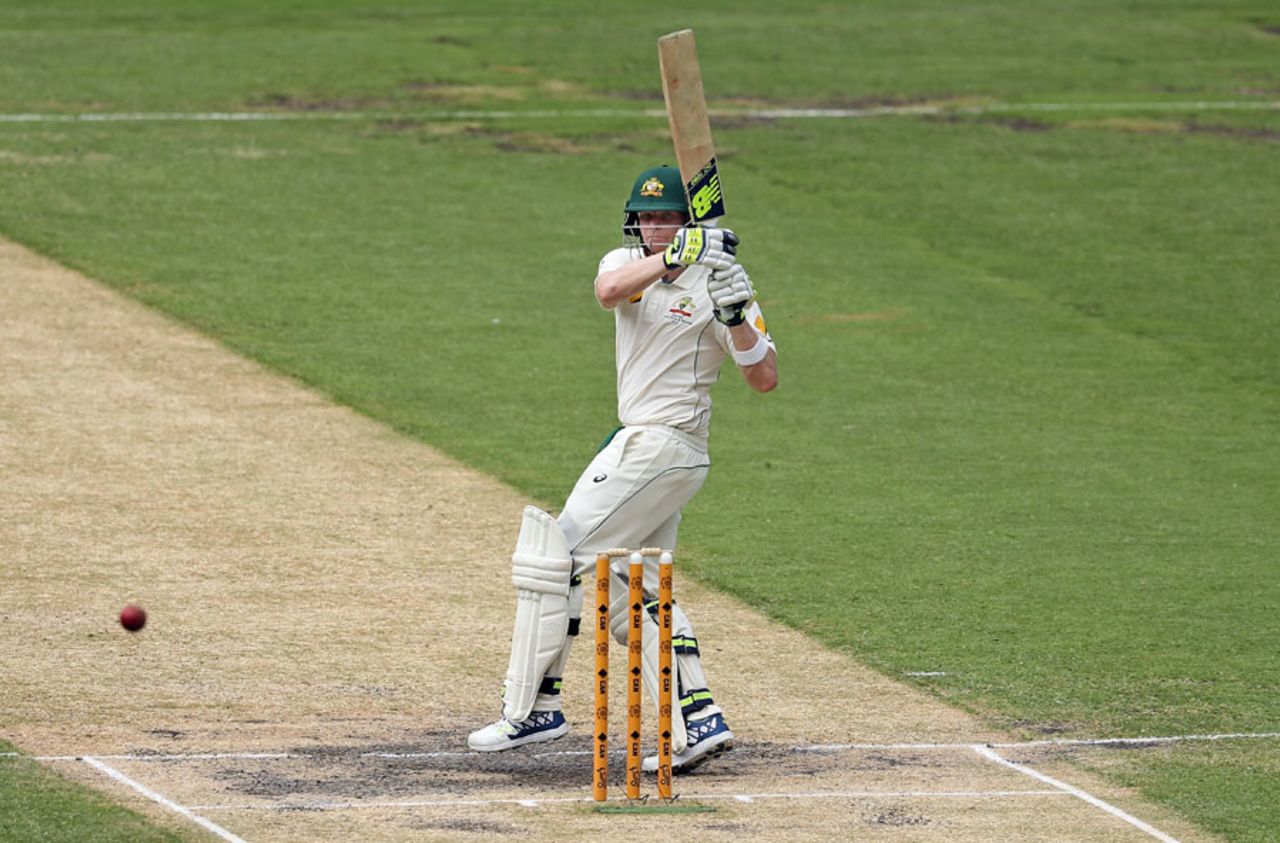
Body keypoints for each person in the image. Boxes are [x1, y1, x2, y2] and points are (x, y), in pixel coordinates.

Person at [468, 165, 777, 773]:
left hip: (664, 446)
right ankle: (698, 720)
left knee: (554, 557)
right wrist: (676, 256)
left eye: (667, 219)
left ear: (688, 221)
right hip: (650, 448)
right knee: (631, 590)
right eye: (647, 217)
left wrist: (737, 314)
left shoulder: (718, 285)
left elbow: (763, 378)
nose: (654, 227)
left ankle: (535, 708)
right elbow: (609, 291)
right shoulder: (628, 263)